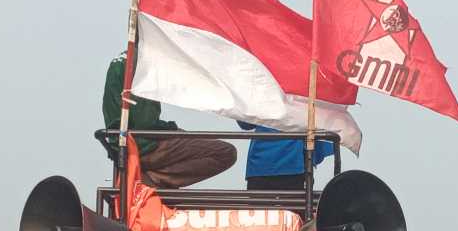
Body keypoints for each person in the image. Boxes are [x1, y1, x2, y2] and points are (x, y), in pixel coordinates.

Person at [103, 53, 237, 188]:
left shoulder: (121, 61)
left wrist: (169, 129)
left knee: (186, 137)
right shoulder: (144, 62)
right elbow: (145, 122)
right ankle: (154, 178)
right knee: (226, 152)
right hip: (141, 146)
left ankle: (155, 179)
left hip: (127, 144)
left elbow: (137, 119)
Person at [237, 122, 334, 190]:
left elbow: (244, 122)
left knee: (260, 216)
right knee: (296, 215)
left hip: (264, 162)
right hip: (290, 164)